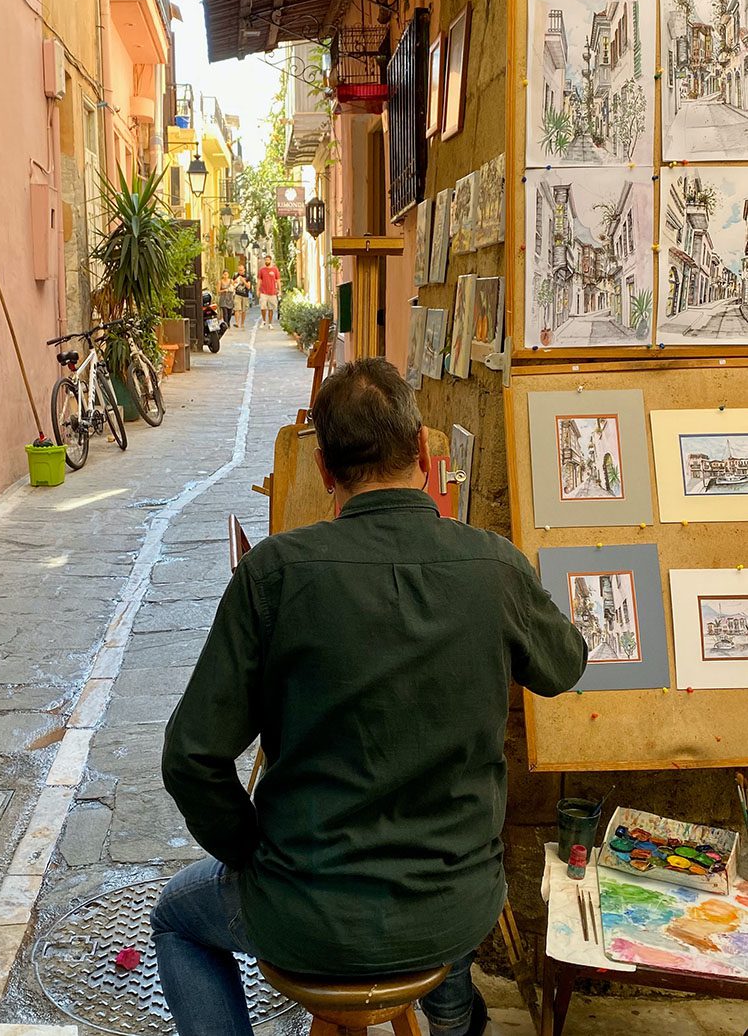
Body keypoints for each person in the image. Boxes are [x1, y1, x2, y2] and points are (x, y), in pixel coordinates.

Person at [152, 358, 587, 1036]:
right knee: (456, 864)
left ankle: (447, 1004)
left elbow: (189, 758)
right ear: (421, 452)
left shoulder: (273, 574)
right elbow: (565, 666)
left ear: (324, 470)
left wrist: (250, 851)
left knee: (176, 918)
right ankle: (452, 1011)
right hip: (454, 900)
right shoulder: (492, 565)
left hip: (304, 907)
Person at [257, 253, 280, 329]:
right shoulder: (262, 270)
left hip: (272, 292)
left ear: (270, 260)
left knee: (271, 308)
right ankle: (263, 321)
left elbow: (278, 280)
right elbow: (259, 281)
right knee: (263, 307)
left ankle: (270, 323)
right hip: (263, 292)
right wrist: (258, 290)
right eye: (265, 260)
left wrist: (279, 290)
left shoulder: (275, 270)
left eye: (268, 260)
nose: (266, 261)